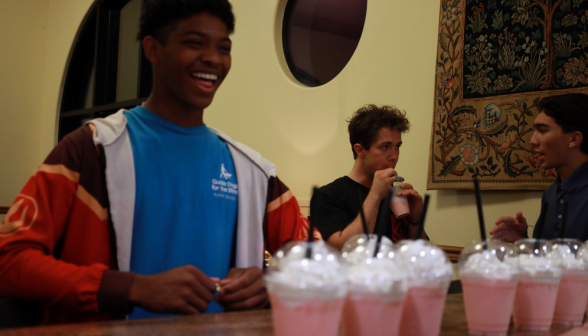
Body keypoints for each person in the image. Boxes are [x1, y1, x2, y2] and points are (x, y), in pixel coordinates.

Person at [0, 0, 316, 324]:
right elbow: (9, 260)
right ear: (153, 49)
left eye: (224, 48)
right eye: (194, 43)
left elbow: (317, 260)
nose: (212, 58)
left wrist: (273, 282)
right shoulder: (91, 151)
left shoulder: (252, 172)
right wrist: (131, 288)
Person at [310, 105, 424, 250]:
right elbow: (342, 249)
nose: (394, 156)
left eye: (397, 146)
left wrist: (415, 219)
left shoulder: (395, 194)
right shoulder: (327, 196)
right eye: (385, 147)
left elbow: (421, 255)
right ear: (360, 150)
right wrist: (375, 195)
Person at [491, 93, 588, 242]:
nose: (532, 141)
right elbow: (546, 257)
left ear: (574, 139)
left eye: (543, 130)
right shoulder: (551, 194)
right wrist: (522, 240)